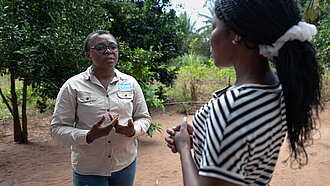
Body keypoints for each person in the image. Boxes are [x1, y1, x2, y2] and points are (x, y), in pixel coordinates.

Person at [165, 0, 323, 185]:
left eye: (213, 26)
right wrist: (206, 138)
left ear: (237, 36)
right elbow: (245, 149)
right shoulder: (277, 89)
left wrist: (184, 148)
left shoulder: (232, 107)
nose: (210, 37)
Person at [50, 30, 151, 186]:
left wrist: (132, 130)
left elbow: (144, 118)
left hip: (125, 163)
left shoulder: (130, 83)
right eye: (100, 47)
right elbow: (57, 129)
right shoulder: (73, 86)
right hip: (89, 168)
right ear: (88, 55)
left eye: (113, 46)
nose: (108, 51)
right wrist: (88, 135)